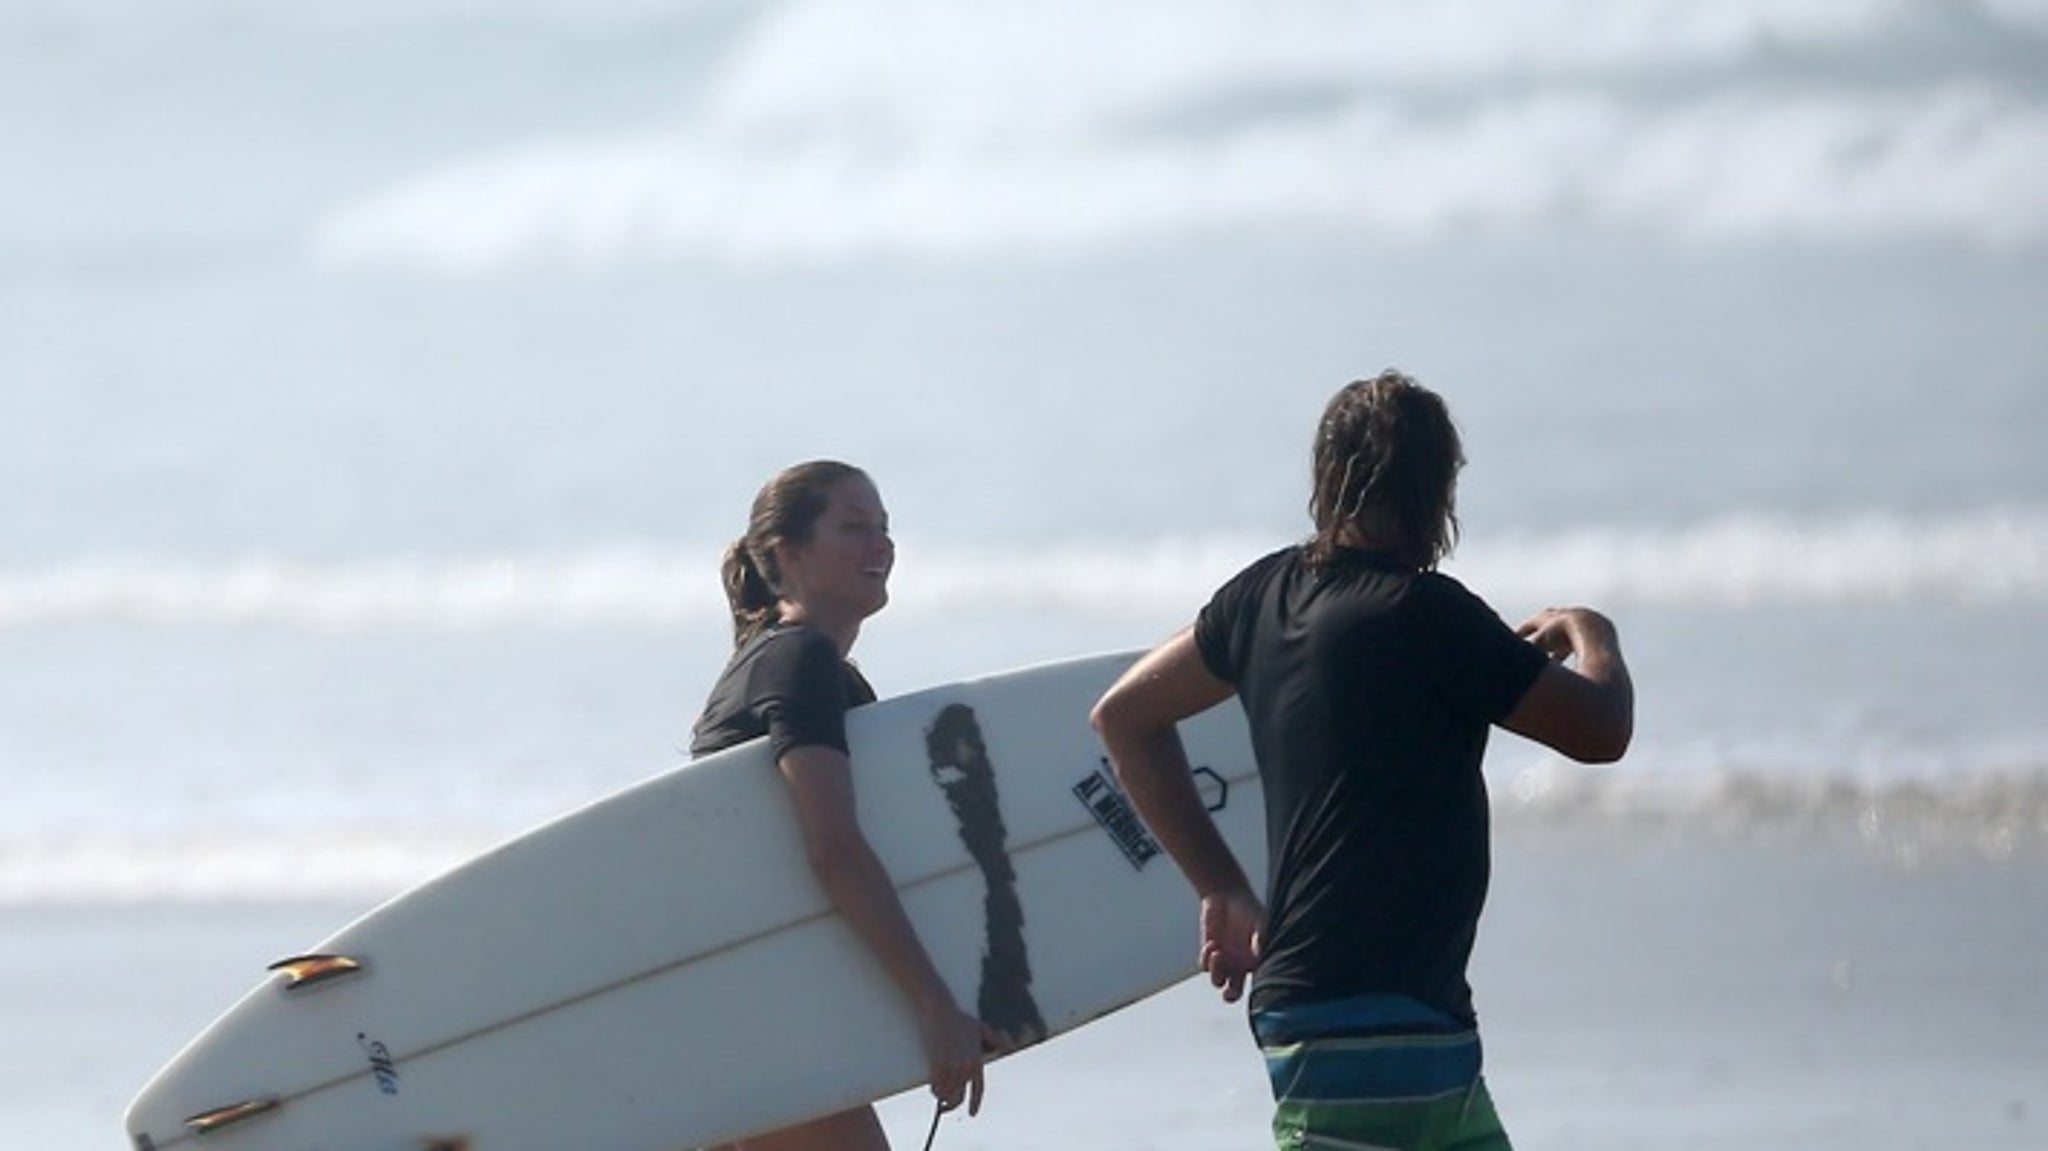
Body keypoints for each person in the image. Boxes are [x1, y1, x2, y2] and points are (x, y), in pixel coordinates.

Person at [1090, 372, 1634, 1151]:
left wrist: (1219, 884)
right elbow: (1602, 729)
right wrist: (1591, 631)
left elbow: (1124, 716)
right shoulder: (1429, 612)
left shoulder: (1263, 597)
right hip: (1376, 1023)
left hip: (1396, 1023)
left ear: (1329, 479)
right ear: (1435, 489)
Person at [690, 460, 995, 1151]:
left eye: (885, 528)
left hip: (736, 1000)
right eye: (854, 527)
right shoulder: (799, 661)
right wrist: (932, 1003)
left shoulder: (782, 662)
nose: (881, 545)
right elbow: (833, 847)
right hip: (765, 1014)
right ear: (785, 554)